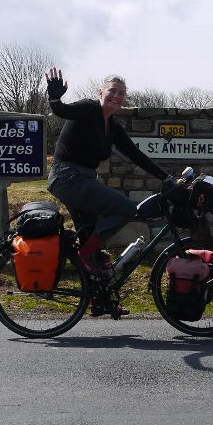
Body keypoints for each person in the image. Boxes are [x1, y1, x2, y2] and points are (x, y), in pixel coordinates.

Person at [45, 68, 170, 277]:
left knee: (90, 237)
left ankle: (97, 299)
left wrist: (165, 177)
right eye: (112, 91)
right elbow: (62, 111)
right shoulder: (87, 108)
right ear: (100, 93)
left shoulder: (111, 126)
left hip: (80, 180)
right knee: (126, 209)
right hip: (67, 176)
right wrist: (55, 97)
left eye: (121, 93)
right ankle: (84, 254)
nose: (116, 96)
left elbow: (134, 154)